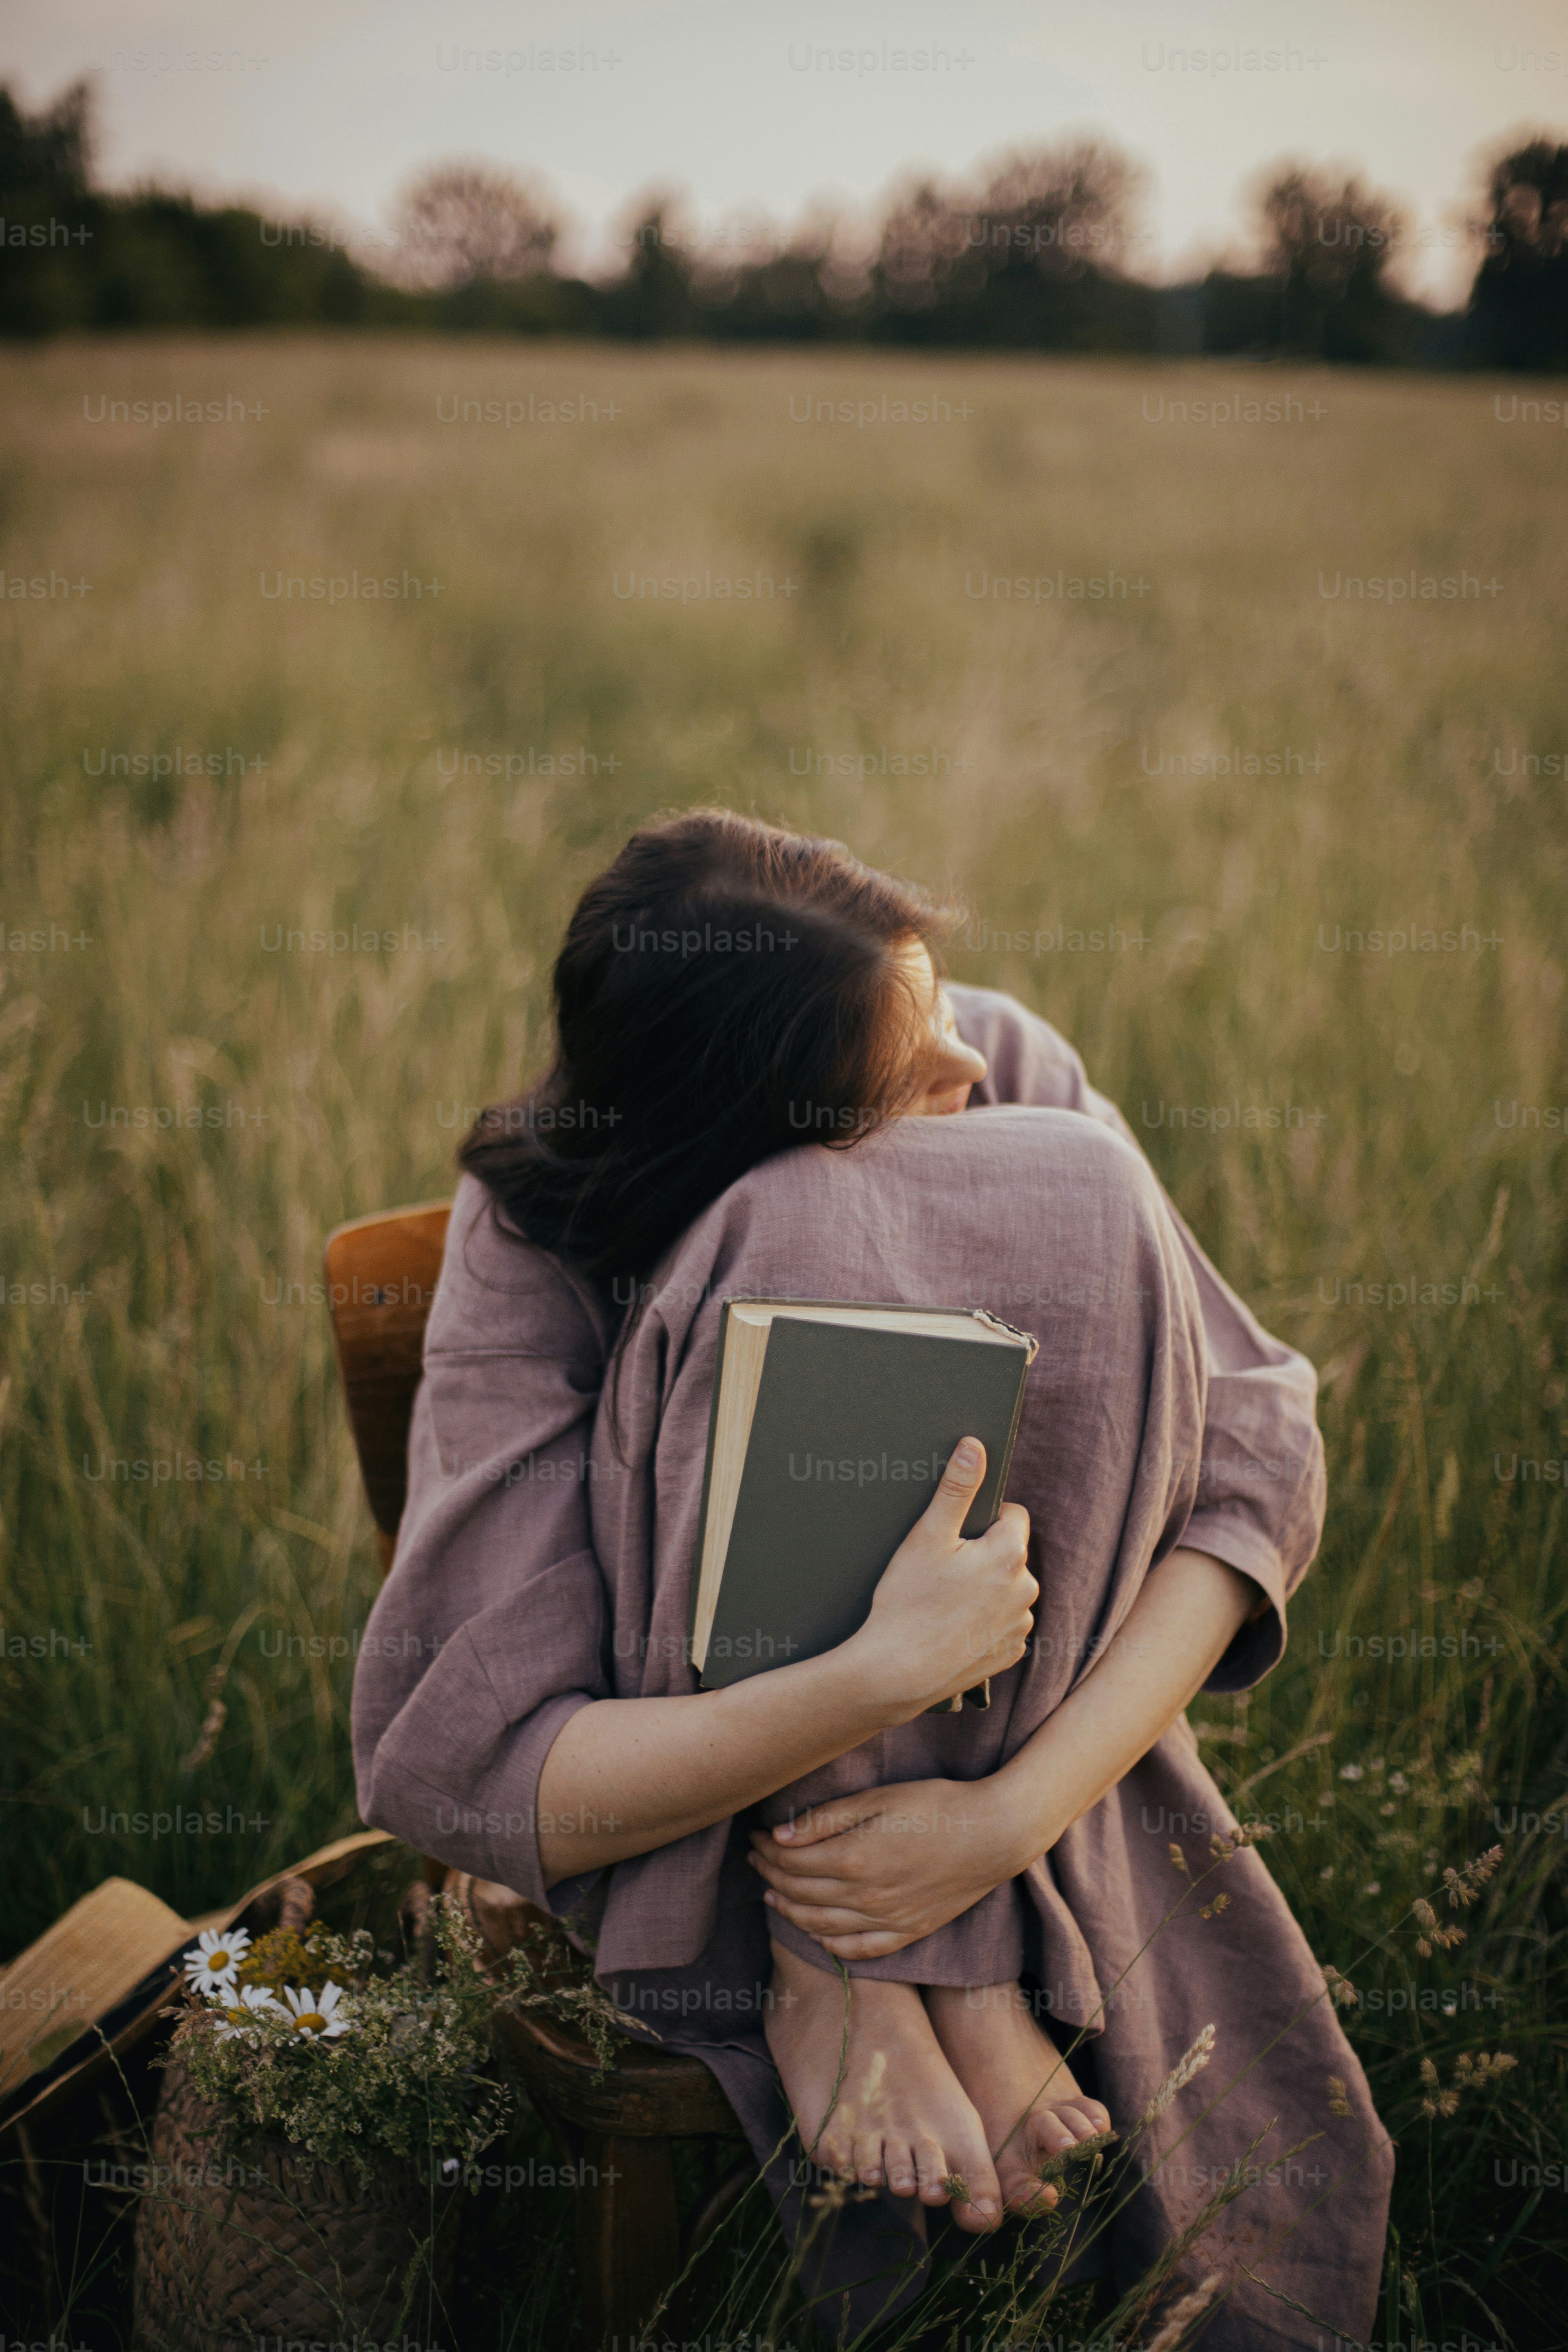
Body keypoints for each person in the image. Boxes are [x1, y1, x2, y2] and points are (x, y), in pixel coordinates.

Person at [352, 810, 1392, 2345]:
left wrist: (998, 1829)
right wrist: (872, 1678)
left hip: (1037, 1755)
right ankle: (839, 1965)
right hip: (705, 1827)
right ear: (731, 1122)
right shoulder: (551, 1238)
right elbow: (490, 1769)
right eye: (901, 1082)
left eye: (943, 1006)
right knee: (798, 1229)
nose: (968, 1078)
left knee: (1071, 1176)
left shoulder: (998, 1060)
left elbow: (1251, 1476)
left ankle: (918, 1968)